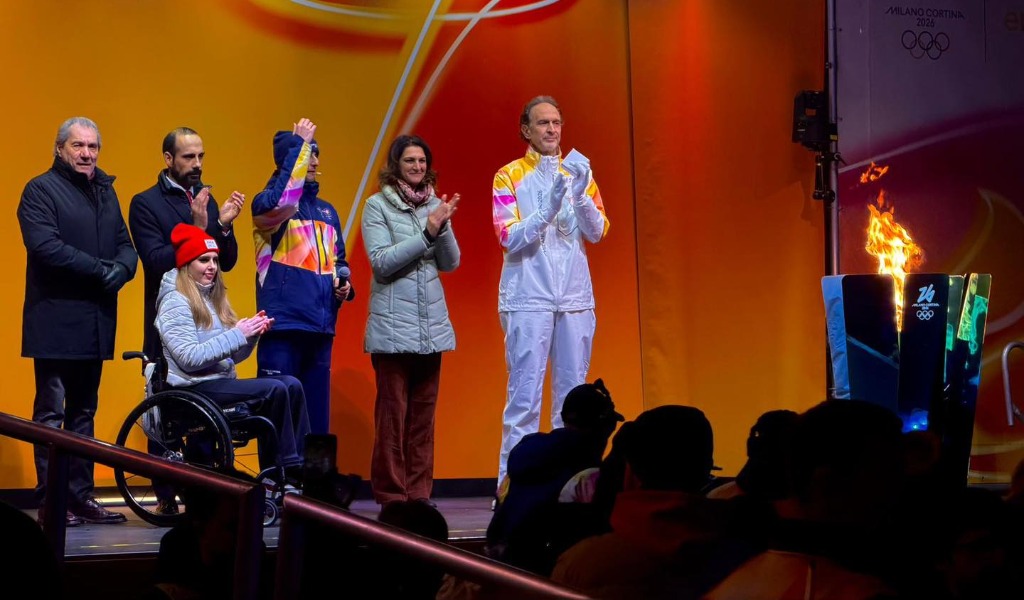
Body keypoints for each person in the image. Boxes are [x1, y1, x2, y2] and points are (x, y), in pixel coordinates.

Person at [18, 116, 137, 526]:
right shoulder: (40, 190)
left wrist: (122, 269)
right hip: (55, 320)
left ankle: (81, 496)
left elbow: (125, 244)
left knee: (85, 412)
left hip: (96, 321)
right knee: (51, 413)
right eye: (78, 146)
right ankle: (53, 499)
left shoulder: (106, 191)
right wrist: (100, 270)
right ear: (60, 149)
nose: (87, 154)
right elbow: (45, 247)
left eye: (93, 147)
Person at [491, 95, 610, 488]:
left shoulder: (579, 174)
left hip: (574, 297)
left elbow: (598, 231)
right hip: (528, 297)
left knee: (572, 402)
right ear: (526, 129)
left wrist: (577, 194)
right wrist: (546, 209)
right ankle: (511, 490)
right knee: (524, 402)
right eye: (543, 123)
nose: (552, 130)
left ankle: (568, 489)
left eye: (557, 123)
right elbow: (509, 237)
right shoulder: (508, 176)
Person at [155, 223, 310, 485]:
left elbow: (230, 357)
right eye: (204, 260)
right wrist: (237, 334)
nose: (212, 266)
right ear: (186, 264)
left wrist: (251, 336)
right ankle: (284, 473)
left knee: (291, 384)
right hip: (194, 390)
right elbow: (189, 359)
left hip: (217, 382)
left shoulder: (210, 298)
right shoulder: (175, 301)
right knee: (275, 389)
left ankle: (301, 467)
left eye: (215, 260)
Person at [362, 134, 460, 506]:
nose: (417, 167)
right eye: (409, 162)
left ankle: (418, 495)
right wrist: (427, 231)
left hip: (430, 329)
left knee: (422, 422)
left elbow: (450, 263)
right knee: (392, 419)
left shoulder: (434, 204)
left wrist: (442, 224)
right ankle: (392, 496)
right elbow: (383, 261)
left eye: (421, 161)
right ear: (395, 166)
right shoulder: (377, 207)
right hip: (392, 330)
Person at [252, 117, 353, 435]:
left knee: (316, 424)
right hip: (282, 327)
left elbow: (339, 261)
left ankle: (313, 485)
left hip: (320, 329)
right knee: (278, 418)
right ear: (289, 159)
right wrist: (298, 145)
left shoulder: (328, 211)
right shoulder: (267, 207)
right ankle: (275, 485)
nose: (316, 161)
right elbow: (282, 201)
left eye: (316, 153)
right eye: (310, 153)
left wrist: (344, 284)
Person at [129, 127, 242, 363]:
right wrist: (196, 231)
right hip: (170, 324)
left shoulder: (206, 199)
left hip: (210, 322)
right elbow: (155, 262)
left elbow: (228, 263)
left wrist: (223, 225)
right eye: (189, 157)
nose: (197, 164)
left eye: (201, 156)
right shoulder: (145, 203)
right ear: (169, 159)